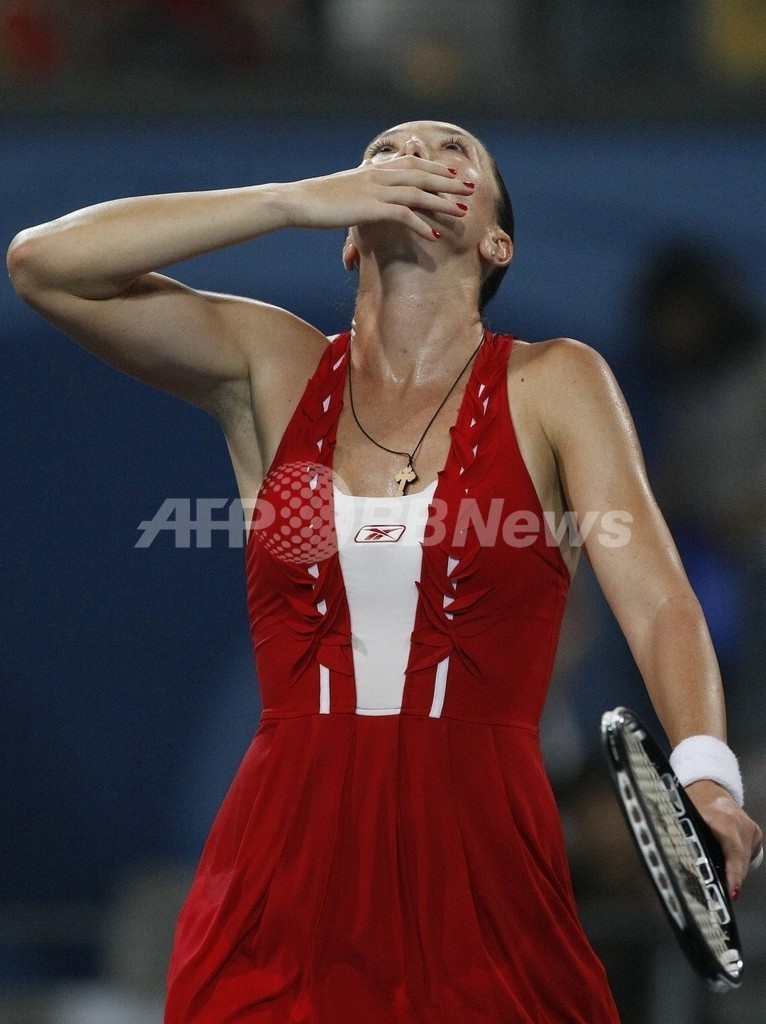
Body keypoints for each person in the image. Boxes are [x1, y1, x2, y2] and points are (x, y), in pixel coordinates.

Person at [7, 119, 762, 1024]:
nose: (416, 158)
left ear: (496, 241)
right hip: (281, 866)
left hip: (485, 869)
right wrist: (292, 201)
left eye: (453, 153)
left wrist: (707, 774)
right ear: (350, 232)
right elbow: (45, 265)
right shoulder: (271, 364)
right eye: (388, 152)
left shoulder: (558, 382)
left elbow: (660, 601)